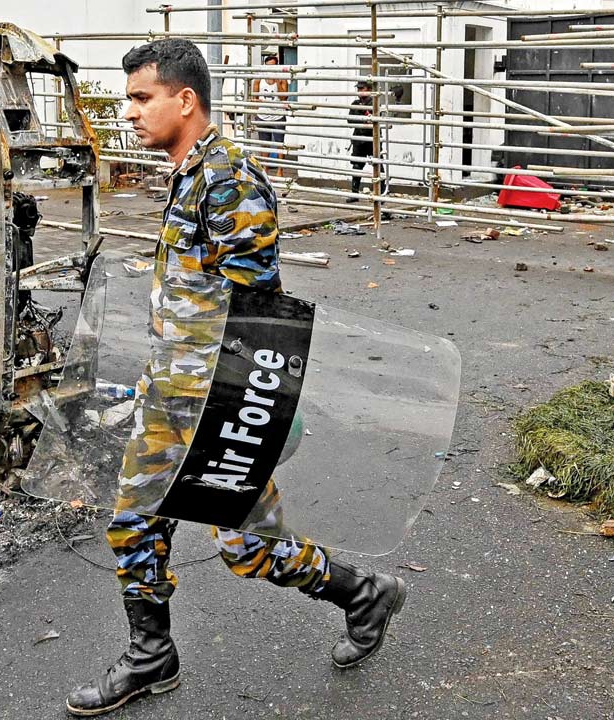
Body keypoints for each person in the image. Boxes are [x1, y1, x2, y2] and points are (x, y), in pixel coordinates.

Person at [65, 38, 408, 717]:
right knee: (132, 524)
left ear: (184, 100)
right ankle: (150, 655)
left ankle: (363, 592)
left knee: (249, 549)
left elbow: (258, 319)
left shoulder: (230, 180)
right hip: (171, 395)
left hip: (218, 405)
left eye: (141, 98)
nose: (129, 113)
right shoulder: (188, 173)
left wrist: (245, 418)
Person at [250, 53, 289, 177]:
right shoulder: (259, 79)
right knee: (264, 144)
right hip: (263, 116)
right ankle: (265, 169)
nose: (270, 69)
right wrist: (257, 110)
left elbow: (284, 97)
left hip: (278, 116)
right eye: (268, 66)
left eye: (272, 66)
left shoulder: (282, 79)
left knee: (279, 144)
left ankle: (280, 170)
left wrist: (277, 82)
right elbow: (254, 97)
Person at [347, 79, 375, 202]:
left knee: (378, 165)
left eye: (361, 89)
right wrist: (363, 120)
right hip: (359, 138)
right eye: (358, 89)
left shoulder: (374, 102)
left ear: (368, 90)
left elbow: (377, 118)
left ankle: (382, 192)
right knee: (357, 165)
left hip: (372, 138)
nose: (359, 91)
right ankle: (355, 193)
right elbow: (350, 119)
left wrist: (366, 119)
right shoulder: (356, 103)